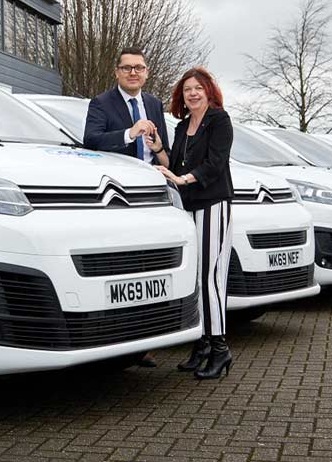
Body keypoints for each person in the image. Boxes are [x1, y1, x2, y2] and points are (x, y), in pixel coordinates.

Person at [83, 47, 171, 368]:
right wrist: (129, 133)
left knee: (153, 269)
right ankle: (121, 341)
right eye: (127, 68)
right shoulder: (101, 103)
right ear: (117, 72)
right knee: (126, 269)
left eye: (139, 68)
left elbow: (164, 149)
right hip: (120, 197)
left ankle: (147, 340)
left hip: (153, 195)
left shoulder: (154, 104)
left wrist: (160, 152)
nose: (133, 73)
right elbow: (91, 141)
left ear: (146, 72)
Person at [149, 67, 234, 379]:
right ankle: (202, 344)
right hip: (189, 207)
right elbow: (174, 164)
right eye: (187, 90)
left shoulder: (219, 120)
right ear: (181, 96)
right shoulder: (183, 125)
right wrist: (159, 149)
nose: (193, 93)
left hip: (214, 203)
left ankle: (220, 348)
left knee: (211, 277)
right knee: (196, 277)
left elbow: (215, 164)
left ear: (208, 91)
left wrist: (183, 179)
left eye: (198, 88)